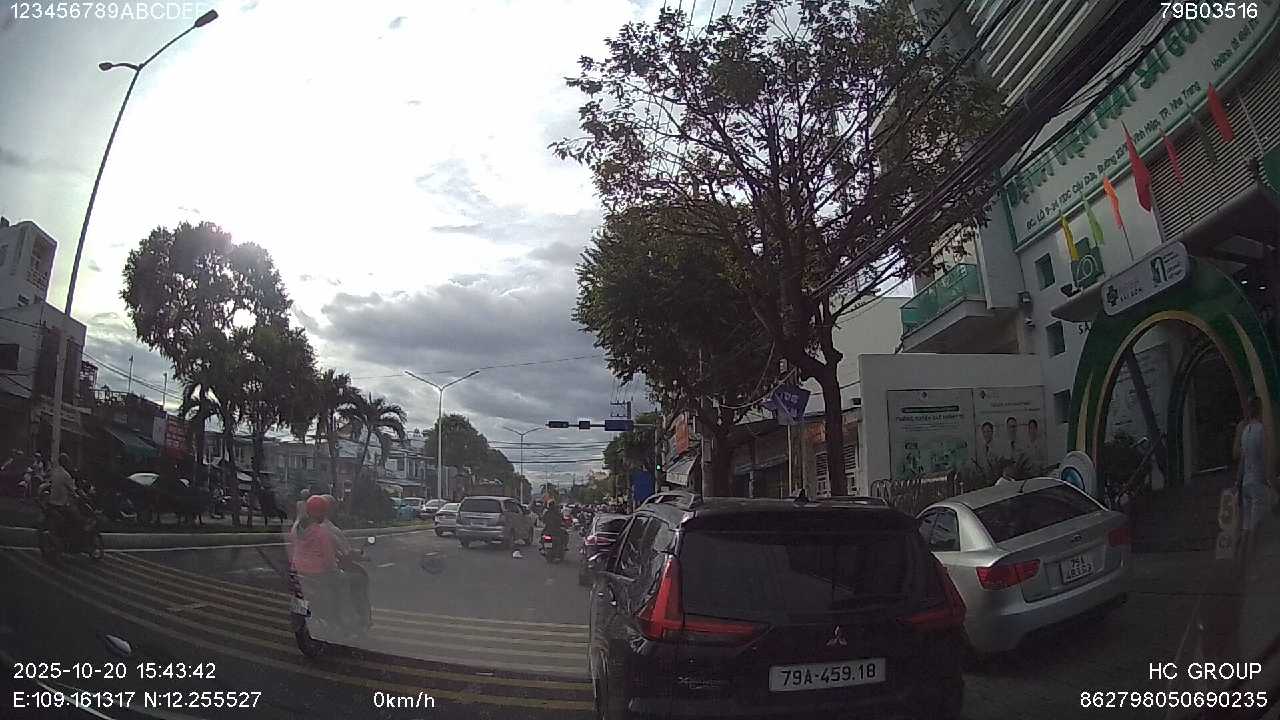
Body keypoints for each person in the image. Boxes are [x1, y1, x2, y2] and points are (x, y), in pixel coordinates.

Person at [1234, 395, 1276, 557]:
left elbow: (1242, 460)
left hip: (1246, 482)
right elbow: (1265, 459)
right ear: (1260, 410)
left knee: (1246, 528)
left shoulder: (1245, 431)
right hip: (1258, 483)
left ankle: (1241, 561)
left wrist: (1238, 482)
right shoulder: (1261, 430)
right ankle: (1251, 561)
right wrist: (1270, 481)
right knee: (1255, 529)